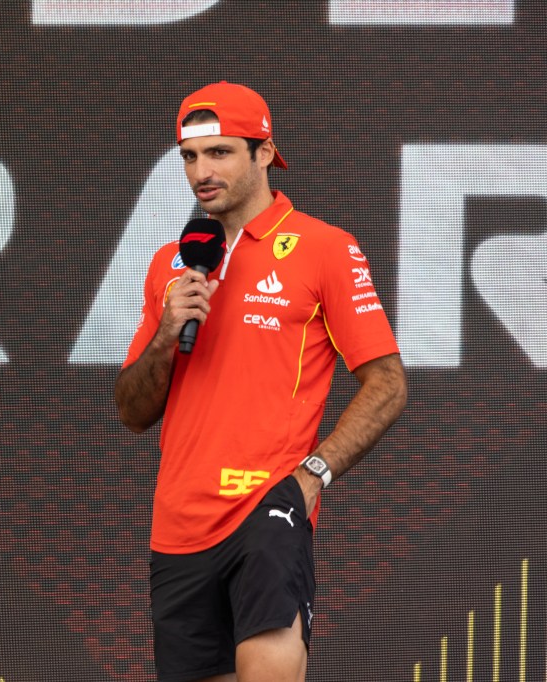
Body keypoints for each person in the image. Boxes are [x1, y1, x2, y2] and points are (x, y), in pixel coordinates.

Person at [114, 81, 407, 682]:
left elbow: (388, 384)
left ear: (265, 152)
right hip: (177, 523)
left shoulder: (325, 247)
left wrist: (311, 477)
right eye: (190, 156)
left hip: (266, 508)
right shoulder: (173, 262)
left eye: (220, 152)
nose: (202, 172)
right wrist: (166, 334)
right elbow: (132, 412)